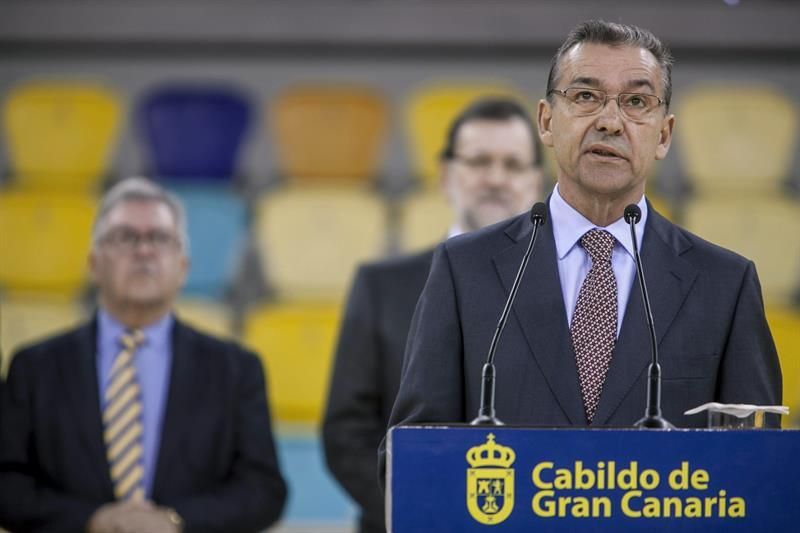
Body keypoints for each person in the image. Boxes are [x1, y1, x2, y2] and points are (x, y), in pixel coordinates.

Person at [384, 19, 783, 461]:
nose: (610, 122)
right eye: (586, 96)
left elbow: (758, 470)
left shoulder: (724, 285)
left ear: (664, 135)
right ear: (547, 121)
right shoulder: (466, 271)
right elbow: (409, 459)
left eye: (636, 101)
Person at [0, 178, 287, 533]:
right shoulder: (33, 368)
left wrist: (174, 521)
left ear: (183, 266)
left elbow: (264, 491)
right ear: (93, 263)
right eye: (125, 237)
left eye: (160, 238)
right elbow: (7, 485)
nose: (144, 250)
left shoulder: (235, 369)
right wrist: (92, 521)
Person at [322, 97, 544, 533]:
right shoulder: (381, 286)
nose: (496, 179)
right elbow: (346, 431)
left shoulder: (572, 290)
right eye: (479, 161)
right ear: (446, 176)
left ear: (536, 182)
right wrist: (416, 510)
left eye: (513, 165)